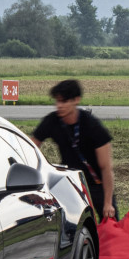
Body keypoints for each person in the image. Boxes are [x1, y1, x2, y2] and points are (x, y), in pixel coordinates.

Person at [31, 79, 117, 222]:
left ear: (76, 100)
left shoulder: (91, 125)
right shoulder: (52, 121)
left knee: (110, 221)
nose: (59, 106)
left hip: (97, 184)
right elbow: (31, 146)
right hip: (72, 183)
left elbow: (106, 167)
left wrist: (108, 203)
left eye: (64, 101)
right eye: (57, 101)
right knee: (70, 223)